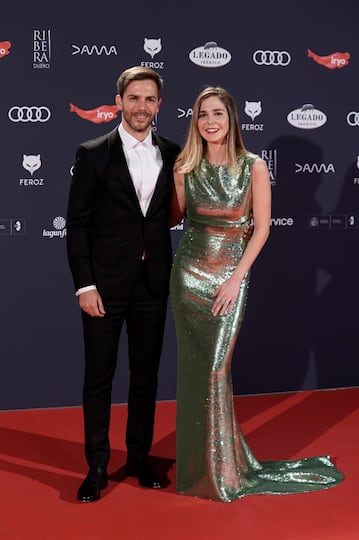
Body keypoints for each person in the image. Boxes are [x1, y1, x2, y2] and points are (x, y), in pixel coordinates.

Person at [169, 86, 344, 502]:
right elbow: (171, 218)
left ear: (232, 119)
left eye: (218, 113)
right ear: (195, 121)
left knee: (215, 369)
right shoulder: (185, 167)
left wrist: (235, 278)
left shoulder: (253, 167)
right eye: (202, 114)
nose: (210, 121)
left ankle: (221, 471)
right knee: (194, 373)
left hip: (231, 276)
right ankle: (200, 470)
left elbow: (262, 229)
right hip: (188, 275)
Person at [66, 66, 181, 502]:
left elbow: (181, 209)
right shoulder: (93, 152)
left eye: (150, 99)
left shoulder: (173, 152)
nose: (141, 107)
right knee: (99, 379)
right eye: (134, 98)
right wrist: (85, 285)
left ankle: (138, 458)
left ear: (159, 106)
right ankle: (96, 466)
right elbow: (77, 227)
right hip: (105, 288)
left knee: (146, 378)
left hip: (152, 285)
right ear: (119, 102)